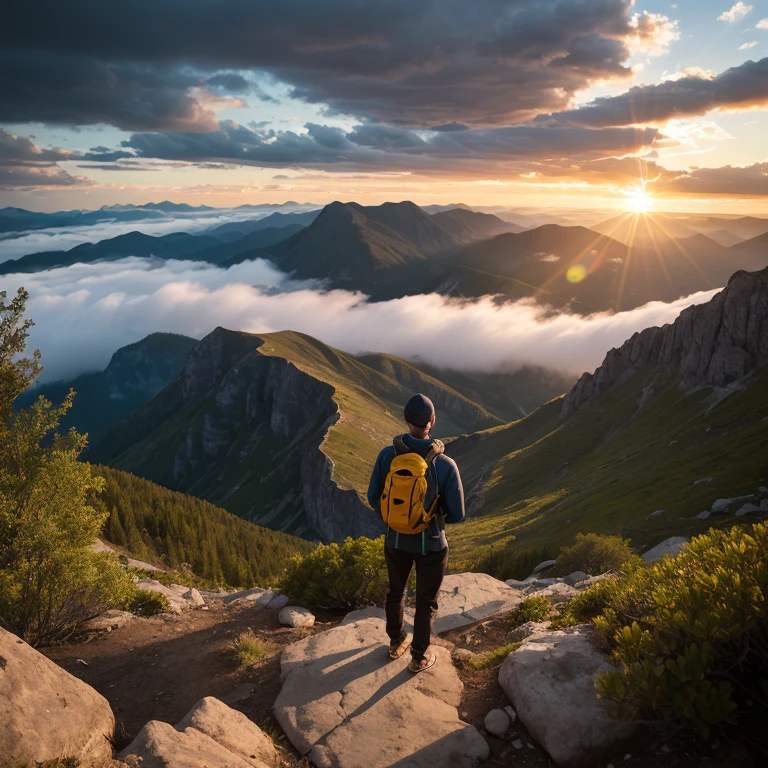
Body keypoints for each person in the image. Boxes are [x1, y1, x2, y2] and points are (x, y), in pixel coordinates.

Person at [367, 393, 465, 673]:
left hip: (395, 539)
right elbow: (458, 514)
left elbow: (374, 498)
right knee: (426, 600)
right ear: (431, 421)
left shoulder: (387, 455)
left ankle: (396, 641)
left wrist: (398, 518)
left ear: (407, 421)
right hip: (431, 544)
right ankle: (418, 656)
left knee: (395, 592)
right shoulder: (444, 464)